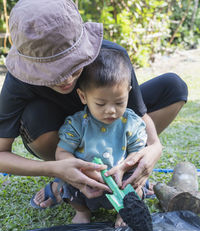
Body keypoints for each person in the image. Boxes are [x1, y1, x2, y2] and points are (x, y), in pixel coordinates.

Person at [0, 0, 188, 209]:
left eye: (73, 65)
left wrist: (154, 149)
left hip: (113, 127)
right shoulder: (19, 80)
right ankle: (66, 179)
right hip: (63, 138)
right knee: (35, 114)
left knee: (174, 87)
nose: (67, 79)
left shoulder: (111, 56)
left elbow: (139, 116)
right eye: (53, 72)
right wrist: (56, 168)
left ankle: (123, 170)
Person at [55, 48, 147, 226]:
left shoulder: (131, 123)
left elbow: (137, 152)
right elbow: (61, 153)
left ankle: (124, 213)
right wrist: (81, 169)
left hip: (120, 178)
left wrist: (124, 167)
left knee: (136, 188)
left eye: (119, 102)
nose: (111, 110)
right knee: (67, 184)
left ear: (128, 92)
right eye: (100, 103)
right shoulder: (77, 125)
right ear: (83, 96)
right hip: (87, 180)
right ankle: (82, 212)